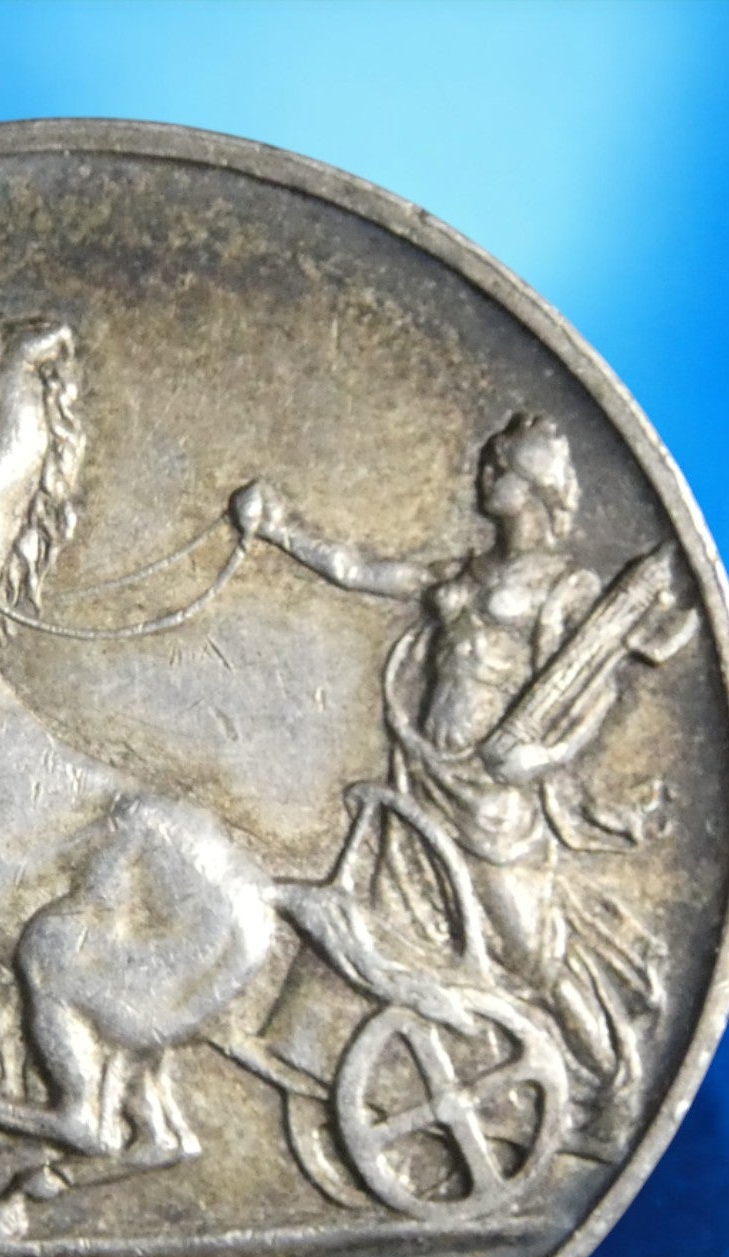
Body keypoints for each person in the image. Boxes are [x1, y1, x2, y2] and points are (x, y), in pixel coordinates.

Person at [233, 413, 668, 1132]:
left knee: (531, 954)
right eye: (490, 464)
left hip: (495, 800)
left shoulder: (564, 589)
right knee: (398, 930)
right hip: (429, 779)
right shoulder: (462, 574)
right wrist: (278, 528)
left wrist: (540, 758)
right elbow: (357, 571)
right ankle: (355, 1066)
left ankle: (615, 1088)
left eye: (502, 468)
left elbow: (594, 697)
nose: (486, 475)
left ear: (535, 487)